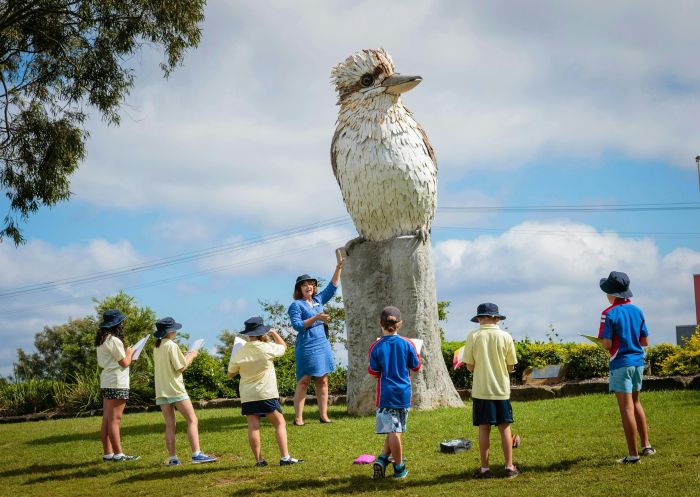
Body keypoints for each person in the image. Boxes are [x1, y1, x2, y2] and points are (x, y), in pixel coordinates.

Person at [228, 317, 303, 467]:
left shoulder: (240, 351)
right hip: (266, 393)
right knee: (279, 423)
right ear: (262, 331)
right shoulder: (267, 347)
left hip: (248, 395)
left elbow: (230, 373)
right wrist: (274, 333)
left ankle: (259, 460)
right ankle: (284, 457)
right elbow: (284, 347)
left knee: (253, 426)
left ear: (248, 333)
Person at [597, 271, 655, 464]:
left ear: (611, 294)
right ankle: (646, 446)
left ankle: (633, 455)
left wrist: (605, 342)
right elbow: (644, 341)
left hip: (620, 364)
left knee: (626, 409)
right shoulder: (638, 311)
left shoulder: (608, 313)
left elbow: (606, 344)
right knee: (636, 403)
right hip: (638, 362)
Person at [287, 249, 343, 425]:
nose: (308, 286)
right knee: (304, 381)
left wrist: (338, 267)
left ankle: (324, 415)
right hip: (306, 345)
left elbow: (332, 287)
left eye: (310, 284)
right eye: (304, 285)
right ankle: (298, 418)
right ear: (299, 289)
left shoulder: (319, 300)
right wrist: (317, 317)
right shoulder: (296, 305)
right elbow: (297, 326)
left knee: (323, 380)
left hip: (322, 344)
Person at [463, 303, 518, 479]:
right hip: (501, 389)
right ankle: (509, 467)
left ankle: (485, 468)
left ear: (479, 319)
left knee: (484, 428)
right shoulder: (505, 336)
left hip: (481, 390)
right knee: (505, 427)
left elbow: (470, 366)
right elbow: (511, 366)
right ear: (497, 318)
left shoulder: (473, 336)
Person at [153, 316, 217, 465]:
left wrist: (184, 355)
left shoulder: (157, 346)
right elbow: (181, 368)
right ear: (171, 331)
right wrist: (191, 356)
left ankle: (173, 458)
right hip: (175, 389)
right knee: (192, 419)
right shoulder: (171, 345)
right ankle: (196, 454)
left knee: (170, 424)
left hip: (161, 390)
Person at [368, 306, 421, 479]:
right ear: (400, 323)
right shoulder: (408, 343)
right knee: (395, 430)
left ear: (380, 324)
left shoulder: (375, 346)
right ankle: (398, 467)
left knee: (393, 429)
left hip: (385, 394)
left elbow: (374, 372)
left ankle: (384, 459)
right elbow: (416, 367)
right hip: (403, 393)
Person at [95, 309, 139, 462]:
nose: (123, 324)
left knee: (107, 419)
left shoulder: (102, 340)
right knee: (115, 420)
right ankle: (119, 454)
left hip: (107, 380)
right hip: (117, 381)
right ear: (117, 324)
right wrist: (130, 352)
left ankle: (108, 454)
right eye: (121, 322)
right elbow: (124, 363)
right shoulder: (114, 340)